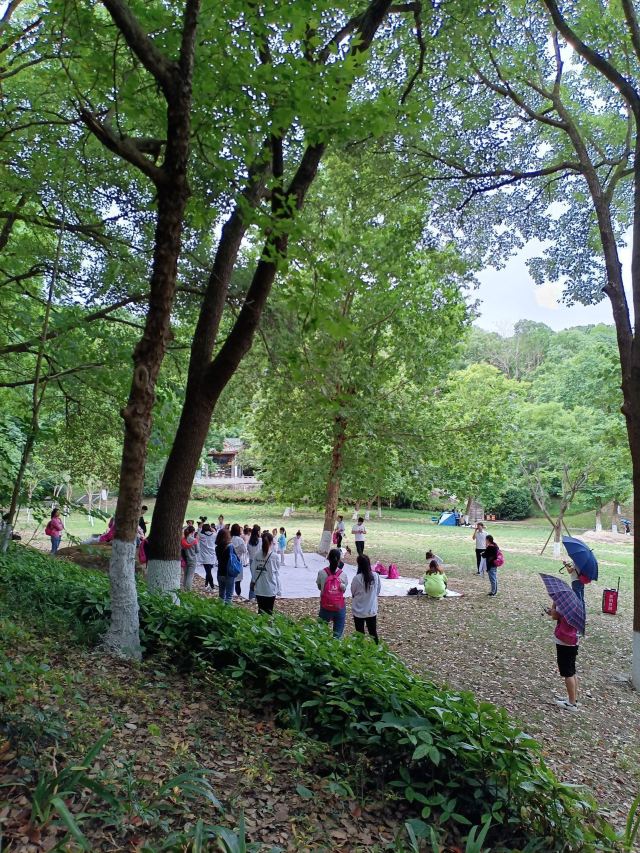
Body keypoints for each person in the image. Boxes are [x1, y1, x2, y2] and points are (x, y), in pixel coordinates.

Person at [546, 600, 580, 711]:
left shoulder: (563, 602)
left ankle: (571, 703)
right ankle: (573, 698)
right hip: (574, 638)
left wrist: (553, 609)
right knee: (572, 670)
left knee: (567, 672)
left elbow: (555, 616)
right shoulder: (575, 601)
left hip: (564, 640)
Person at [317, 548, 348, 639]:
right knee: (337, 636)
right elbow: (344, 590)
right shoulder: (343, 575)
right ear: (339, 560)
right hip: (339, 607)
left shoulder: (321, 573)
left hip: (325, 606)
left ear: (328, 559)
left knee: (321, 633)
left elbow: (319, 587)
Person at [350, 554, 381, 643]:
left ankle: (361, 650)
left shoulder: (357, 578)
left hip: (359, 611)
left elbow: (353, 592)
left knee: (360, 634)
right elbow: (378, 591)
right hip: (371, 610)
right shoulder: (375, 576)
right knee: (373, 633)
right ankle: (376, 649)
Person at [250, 530, 281, 614]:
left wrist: (253, 580)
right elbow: (277, 572)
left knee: (261, 611)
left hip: (259, 588)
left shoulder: (257, 555)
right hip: (270, 589)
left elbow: (253, 570)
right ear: (271, 542)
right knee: (269, 612)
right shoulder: (274, 556)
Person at [215, 527, 235, 605]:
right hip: (229, 573)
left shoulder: (217, 548)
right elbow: (235, 558)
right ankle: (227, 609)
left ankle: (220, 609)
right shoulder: (230, 547)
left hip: (220, 572)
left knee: (221, 595)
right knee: (229, 596)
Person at [230, 522, 247, 600]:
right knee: (238, 580)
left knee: (230, 579)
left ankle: (229, 595)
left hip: (229, 560)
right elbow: (244, 550)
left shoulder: (229, 538)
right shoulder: (240, 540)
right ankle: (238, 596)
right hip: (238, 560)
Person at [199, 523, 217, 590]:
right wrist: (212, 529)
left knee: (208, 572)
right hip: (213, 556)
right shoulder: (214, 535)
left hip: (205, 557)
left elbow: (199, 529)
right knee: (208, 571)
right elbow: (216, 533)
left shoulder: (201, 535)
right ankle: (207, 585)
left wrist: (202, 523)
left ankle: (212, 587)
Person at [181, 525, 199, 591]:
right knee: (190, 576)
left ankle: (184, 588)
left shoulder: (183, 540)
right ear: (193, 532)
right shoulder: (194, 540)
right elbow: (197, 550)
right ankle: (188, 590)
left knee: (185, 574)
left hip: (185, 559)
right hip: (192, 559)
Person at [246, 525, 261, 601]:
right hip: (259, 561)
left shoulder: (249, 541)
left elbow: (248, 550)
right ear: (258, 532)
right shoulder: (260, 540)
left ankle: (252, 595)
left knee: (253, 577)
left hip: (251, 560)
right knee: (258, 578)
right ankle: (255, 595)